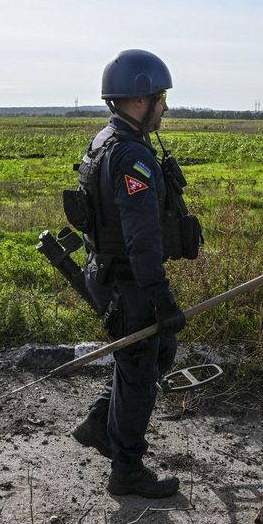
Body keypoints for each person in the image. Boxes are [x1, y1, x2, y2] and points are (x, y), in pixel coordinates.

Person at [65, 49, 201, 498]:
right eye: (161, 98)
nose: (165, 106)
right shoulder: (130, 157)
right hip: (128, 280)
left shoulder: (107, 139)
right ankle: (126, 471)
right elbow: (141, 236)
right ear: (140, 99)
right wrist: (160, 297)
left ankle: (101, 422)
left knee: (153, 353)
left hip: (110, 274)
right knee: (142, 367)